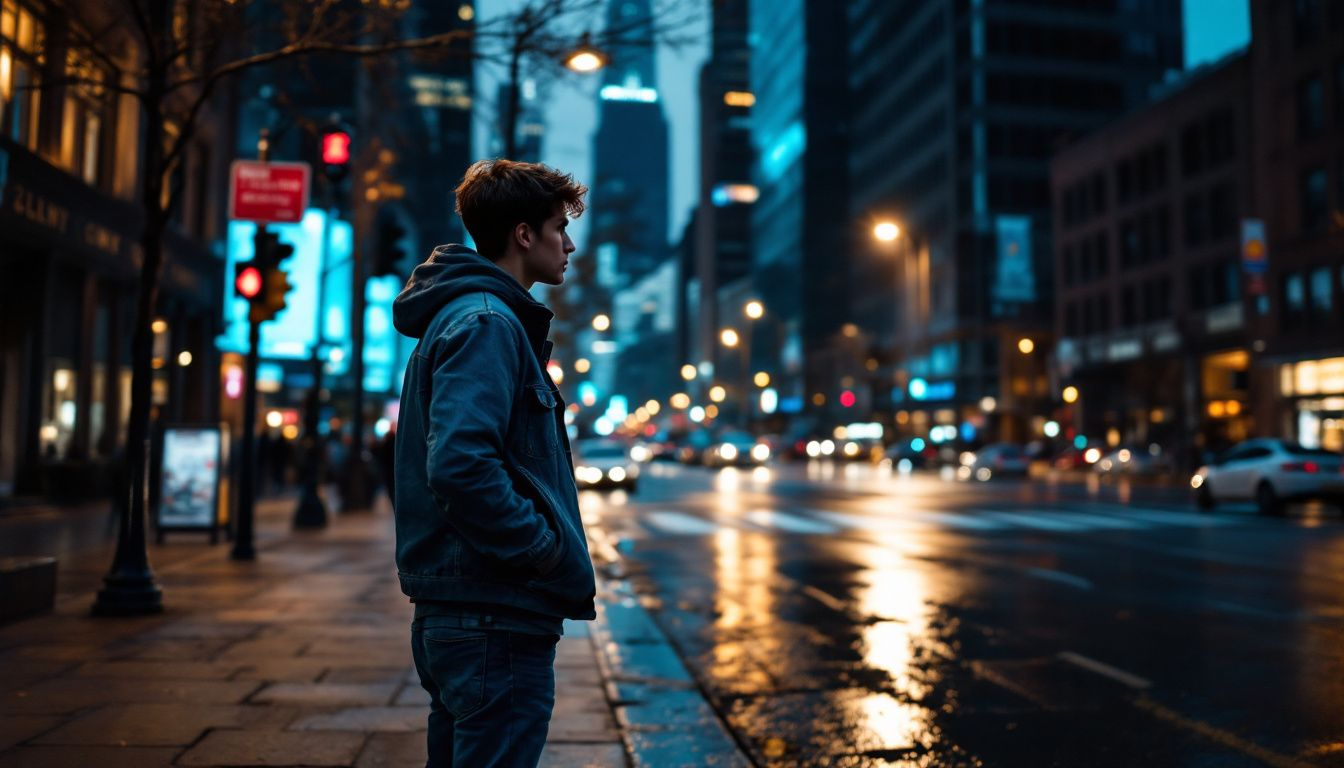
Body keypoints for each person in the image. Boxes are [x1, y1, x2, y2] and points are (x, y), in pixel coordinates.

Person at [390, 159, 595, 767]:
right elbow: (460, 466)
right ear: (524, 235)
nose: (569, 242)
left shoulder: (474, 316)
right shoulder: (486, 322)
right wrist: (542, 551)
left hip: (470, 614)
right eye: (559, 226)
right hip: (493, 615)